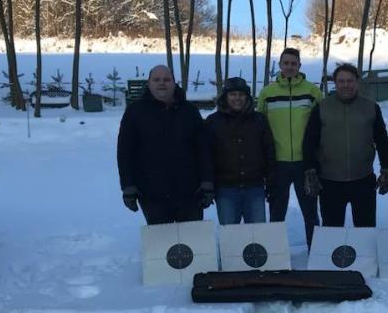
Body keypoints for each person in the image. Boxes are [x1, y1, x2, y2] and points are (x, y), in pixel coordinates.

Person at [117, 65, 214, 225]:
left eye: (167, 79)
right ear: (148, 83)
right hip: (151, 193)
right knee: (162, 245)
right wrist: (128, 186)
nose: (162, 83)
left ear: (174, 83)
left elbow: (204, 150)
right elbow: (125, 153)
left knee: (193, 242)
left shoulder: (190, 111)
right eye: (157, 79)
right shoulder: (135, 112)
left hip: (190, 191)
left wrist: (207, 182)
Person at [302, 63, 388, 228]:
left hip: (363, 180)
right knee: (332, 229)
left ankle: (367, 254)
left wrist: (386, 168)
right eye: (341, 81)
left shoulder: (371, 107)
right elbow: (310, 142)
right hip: (329, 182)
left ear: (357, 82)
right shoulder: (322, 107)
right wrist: (310, 169)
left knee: (365, 228)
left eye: (350, 81)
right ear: (335, 83)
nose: (346, 85)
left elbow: (382, 141)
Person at [257, 47, 323, 247]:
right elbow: (261, 125)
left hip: (306, 163)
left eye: (293, 63)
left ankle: (316, 251)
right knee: (277, 212)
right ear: (280, 65)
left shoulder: (312, 91)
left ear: (300, 66)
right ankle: (276, 254)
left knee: (310, 211)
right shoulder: (267, 92)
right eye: (286, 63)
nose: (289, 67)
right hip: (278, 164)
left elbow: (322, 124)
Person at [205, 77, 275, 225]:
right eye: (233, 94)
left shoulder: (259, 120)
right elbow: (206, 156)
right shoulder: (213, 122)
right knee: (229, 236)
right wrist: (208, 184)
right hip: (225, 189)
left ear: (247, 97)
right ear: (225, 97)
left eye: (241, 94)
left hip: (254, 187)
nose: (237, 98)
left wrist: (270, 181)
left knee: (257, 235)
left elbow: (269, 151)